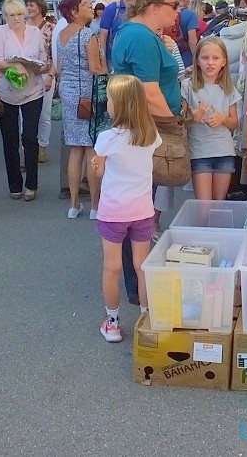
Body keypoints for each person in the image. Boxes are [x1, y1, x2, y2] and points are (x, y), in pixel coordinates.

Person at [110, 0, 182, 305]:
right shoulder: (140, 36)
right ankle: (138, 286)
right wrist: (174, 125)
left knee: (138, 206)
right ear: (155, 6)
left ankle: (137, 280)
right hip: (146, 131)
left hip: (141, 130)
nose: (178, 11)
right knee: (137, 210)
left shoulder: (139, 33)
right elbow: (149, 93)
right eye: (174, 5)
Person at [90, 74, 160, 343]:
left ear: (117, 105)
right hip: (142, 209)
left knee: (112, 267)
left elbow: (99, 170)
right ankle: (146, 319)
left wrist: (97, 168)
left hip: (114, 211)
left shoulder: (107, 137)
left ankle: (113, 322)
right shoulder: (151, 134)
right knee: (142, 266)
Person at [57, 0, 107, 219]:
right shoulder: (88, 35)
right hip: (87, 94)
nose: (91, 7)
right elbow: (96, 69)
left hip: (68, 93)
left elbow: (60, 67)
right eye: (86, 4)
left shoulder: (62, 35)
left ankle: (74, 204)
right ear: (74, 11)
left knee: (74, 150)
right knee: (91, 149)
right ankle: (95, 205)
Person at [0, 0, 47, 201]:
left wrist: (40, 66)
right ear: (5, 16)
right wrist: (16, 64)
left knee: (30, 137)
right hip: (7, 91)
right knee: (10, 138)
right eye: (11, 15)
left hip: (33, 90)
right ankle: (14, 184)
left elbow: (43, 59)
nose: (16, 19)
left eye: (19, 14)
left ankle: (31, 183)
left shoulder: (35, 32)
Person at [182, 37, 240, 201]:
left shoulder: (228, 87)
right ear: (197, 61)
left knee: (218, 205)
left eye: (215, 58)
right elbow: (182, 123)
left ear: (224, 61)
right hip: (199, 152)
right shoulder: (188, 86)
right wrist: (194, 119)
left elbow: (234, 122)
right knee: (203, 206)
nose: (210, 63)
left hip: (224, 151)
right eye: (205, 58)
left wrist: (222, 119)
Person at [25, 0, 56, 162]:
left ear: (40, 7)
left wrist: (51, 76)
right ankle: (27, 148)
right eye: (27, 5)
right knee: (25, 115)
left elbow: (55, 54)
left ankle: (42, 147)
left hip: (45, 73)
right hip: (26, 75)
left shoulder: (50, 27)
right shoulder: (22, 26)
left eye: (32, 5)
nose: (29, 8)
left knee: (44, 113)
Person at [98, 0, 142, 70]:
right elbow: (102, 37)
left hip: (136, 59)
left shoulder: (141, 10)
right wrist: (104, 65)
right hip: (114, 61)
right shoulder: (112, 9)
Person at [169, 0, 200, 68]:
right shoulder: (191, 15)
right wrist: (196, 57)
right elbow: (192, 40)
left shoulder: (168, 12)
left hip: (170, 53)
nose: (190, 1)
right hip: (185, 56)